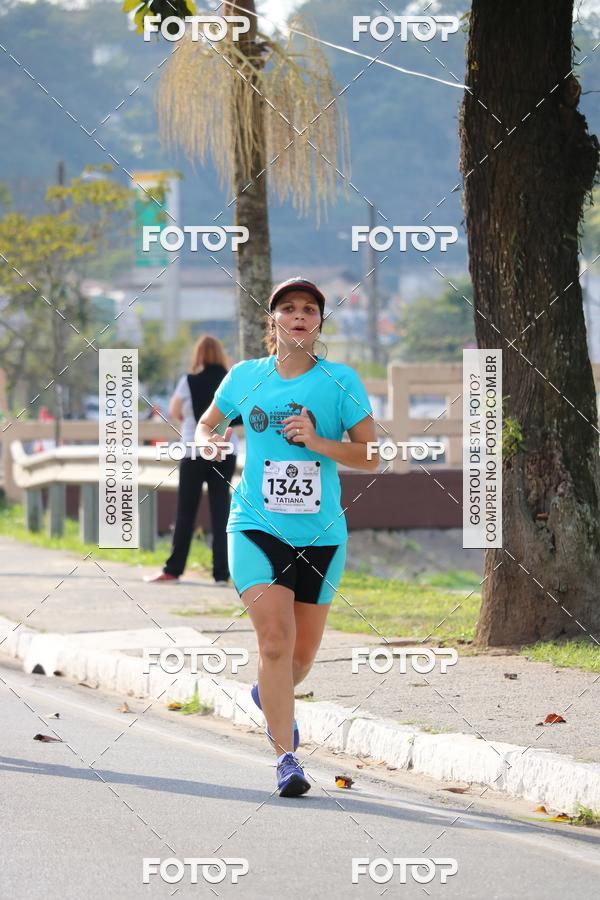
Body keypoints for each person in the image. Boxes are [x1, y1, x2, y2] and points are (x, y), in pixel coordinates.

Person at [194, 277, 378, 797]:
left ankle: (266, 695)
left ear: (320, 322)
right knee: (275, 642)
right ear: (271, 320)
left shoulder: (340, 381)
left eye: (309, 309)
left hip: (322, 536)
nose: (299, 316)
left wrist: (319, 441)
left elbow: (372, 455)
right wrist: (210, 444)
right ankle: (286, 758)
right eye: (289, 308)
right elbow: (206, 425)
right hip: (255, 527)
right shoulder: (245, 377)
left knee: (298, 660)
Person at [145, 335, 240, 585]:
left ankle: (173, 570)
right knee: (221, 513)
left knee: (186, 512)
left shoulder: (187, 382)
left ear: (198, 355)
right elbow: (240, 416)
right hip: (225, 451)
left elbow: (175, 412)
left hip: (193, 451)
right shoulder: (231, 381)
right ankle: (221, 574)